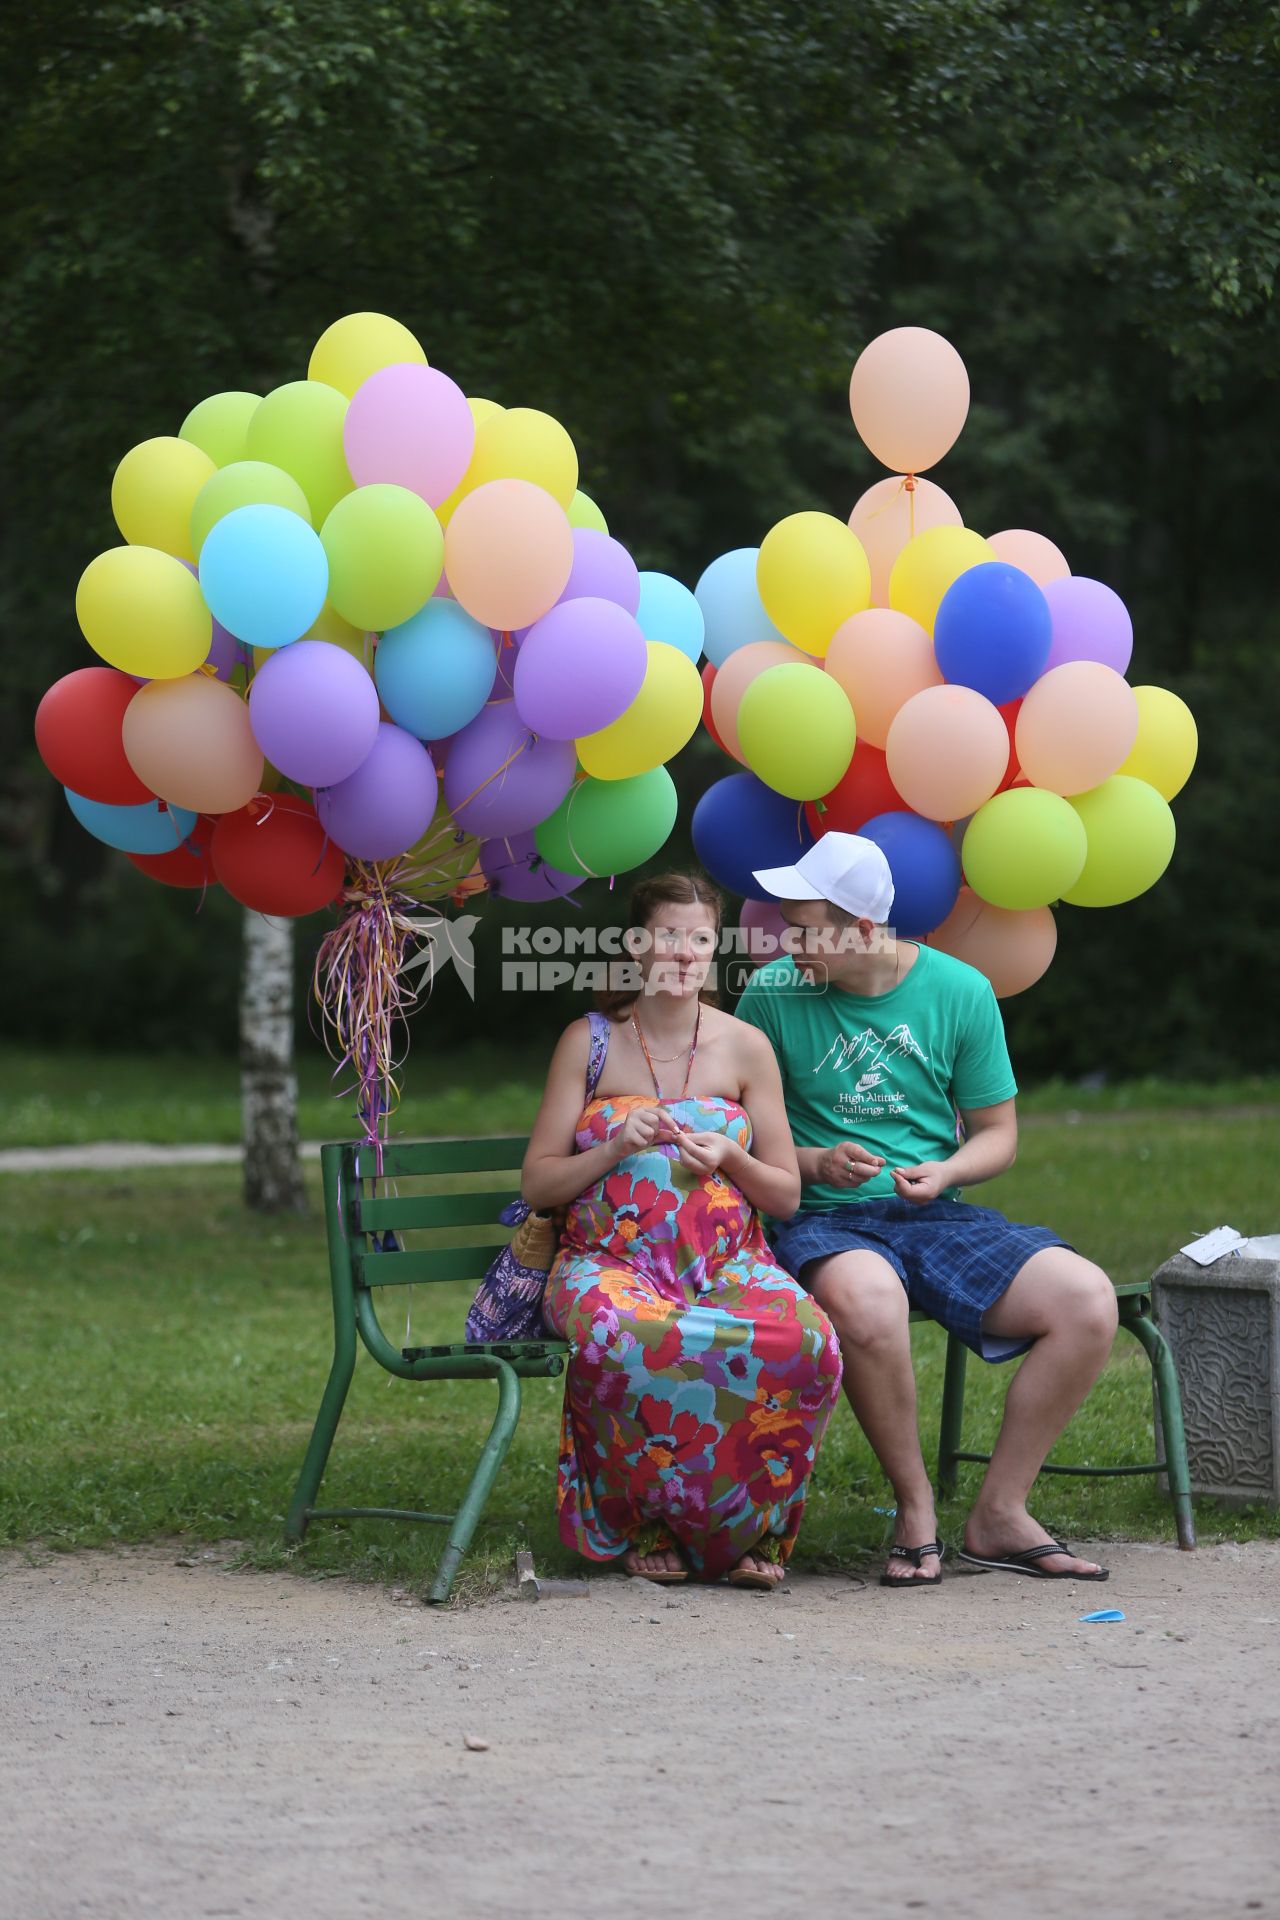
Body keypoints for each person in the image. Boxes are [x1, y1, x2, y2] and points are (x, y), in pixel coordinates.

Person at [736, 832, 1118, 1588]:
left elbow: (999, 1134)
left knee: (1088, 1302)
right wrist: (816, 1162)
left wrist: (944, 1171)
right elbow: (743, 1130)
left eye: (806, 926)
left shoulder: (961, 991)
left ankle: (1000, 1513)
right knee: (870, 1304)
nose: (790, 941)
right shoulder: (772, 993)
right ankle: (915, 1510)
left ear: (865, 929)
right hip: (824, 1219)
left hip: (932, 1212)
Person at [524, 872, 842, 1588]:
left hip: (727, 1264)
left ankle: (752, 1530)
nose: (684, 953)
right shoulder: (590, 1042)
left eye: (699, 938)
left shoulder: (746, 1047)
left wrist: (732, 1155)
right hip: (608, 1263)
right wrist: (611, 1148)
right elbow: (538, 1181)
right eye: (668, 935)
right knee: (620, 1336)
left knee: (811, 1343)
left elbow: (786, 1194)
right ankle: (648, 1520)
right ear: (638, 944)